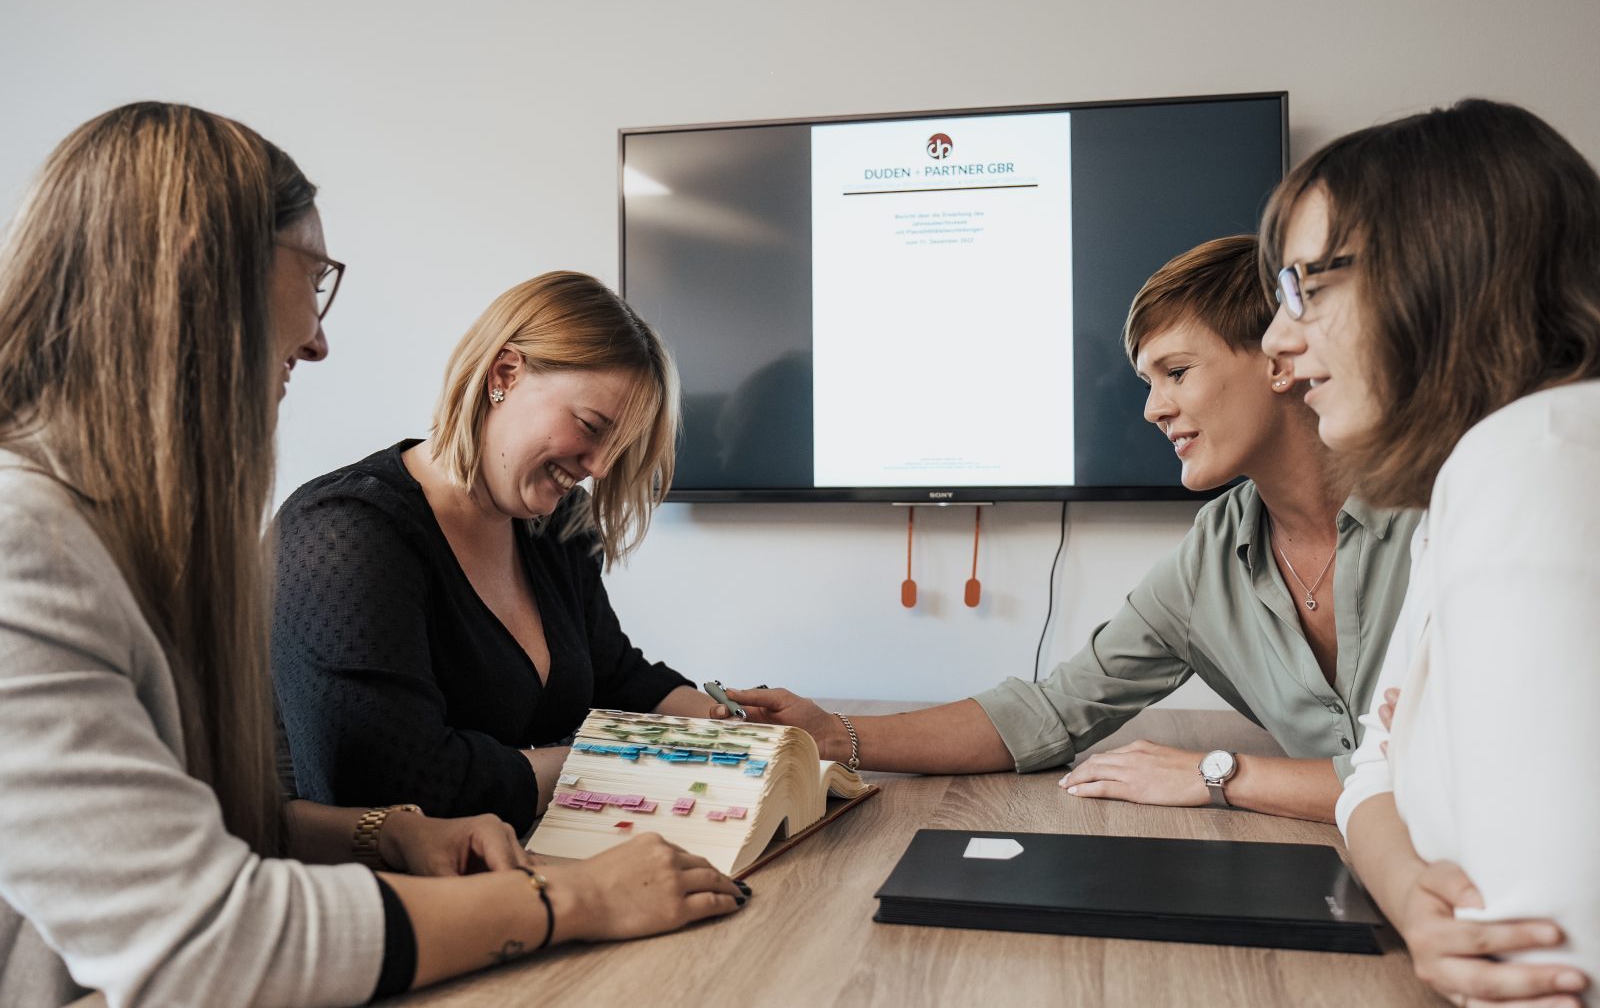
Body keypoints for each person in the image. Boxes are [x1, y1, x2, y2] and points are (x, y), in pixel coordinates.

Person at [0, 102, 745, 1008]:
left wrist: (380, 834)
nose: (319, 339)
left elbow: (186, 832)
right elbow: (205, 941)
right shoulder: (22, 545)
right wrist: (567, 899)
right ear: (194, 282)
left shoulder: (123, 535)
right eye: (312, 280)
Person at [723, 235, 1420, 823]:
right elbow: (1051, 712)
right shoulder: (1210, 559)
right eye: (1147, 381)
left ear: (1280, 354)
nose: (1152, 409)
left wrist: (1220, 773)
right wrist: (832, 733)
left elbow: (1454, 776)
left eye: (1176, 371)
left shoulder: (1437, 509)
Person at [1262, 99, 1597, 1006]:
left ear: (1445, 268)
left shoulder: (1536, 455)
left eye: (1307, 287)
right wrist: (1411, 893)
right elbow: (1371, 773)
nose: (1277, 340)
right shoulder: (1475, 478)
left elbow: (1538, 964)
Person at [272, 271, 731, 836]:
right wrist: (598, 767)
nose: (601, 468)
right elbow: (395, 786)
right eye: (590, 427)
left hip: (520, 848)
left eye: (619, 448)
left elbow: (614, 673)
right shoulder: (346, 534)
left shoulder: (558, 524)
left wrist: (729, 724)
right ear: (505, 375)